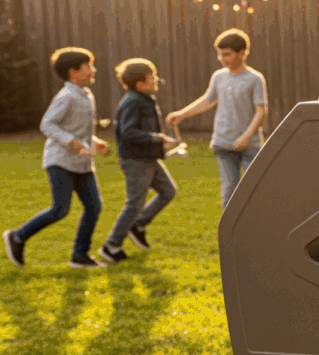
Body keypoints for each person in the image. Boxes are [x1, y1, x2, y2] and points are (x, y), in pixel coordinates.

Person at [4, 47, 110, 269]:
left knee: (94, 207)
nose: (93, 70)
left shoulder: (86, 94)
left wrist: (94, 140)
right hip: (60, 161)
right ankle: (17, 236)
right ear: (73, 72)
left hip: (82, 163)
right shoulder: (66, 96)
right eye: (88, 67)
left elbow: (78, 127)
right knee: (60, 209)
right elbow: (47, 124)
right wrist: (70, 141)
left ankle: (80, 255)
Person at [165, 28, 268, 208]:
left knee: (255, 190)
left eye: (227, 54)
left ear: (242, 53)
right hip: (223, 143)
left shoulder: (254, 79)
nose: (222, 59)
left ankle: (258, 231)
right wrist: (181, 115)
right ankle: (229, 235)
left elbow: (261, 110)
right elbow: (207, 100)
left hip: (249, 146)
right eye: (219, 55)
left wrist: (246, 136)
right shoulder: (218, 77)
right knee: (229, 191)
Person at [98, 58, 180, 264]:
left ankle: (138, 224)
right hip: (136, 160)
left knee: (168, 191)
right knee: (134, 203)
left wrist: (159, 143)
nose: (156, 80)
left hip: (149, 158)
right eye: (152, 77)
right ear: (140, 83)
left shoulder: (144, 98)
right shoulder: (133, 101)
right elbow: (128, 132)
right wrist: (157, 138)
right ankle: (111, 245)